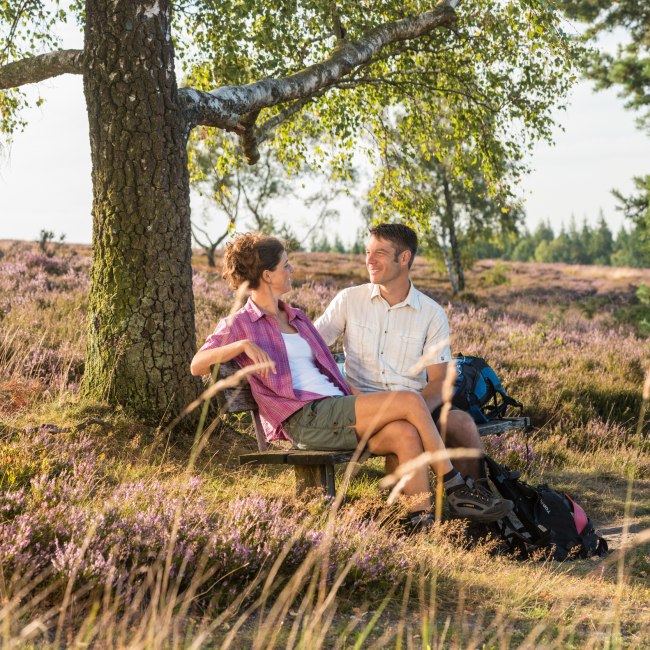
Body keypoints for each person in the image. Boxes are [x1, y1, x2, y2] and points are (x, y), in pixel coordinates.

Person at [191, 232, 512, 531]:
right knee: (410, 401)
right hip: (306, 417)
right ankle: (456, 486)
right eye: (285, 266)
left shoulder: (297, 317)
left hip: (334, 409)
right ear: (267, 275)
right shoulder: (241, 323)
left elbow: (325, 367)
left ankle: (419, 524)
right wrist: (241, 345)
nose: (291, 270)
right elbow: (197, 364)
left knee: (405, 432)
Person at [315, 223, 484, 481]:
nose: (369, 260)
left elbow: (439, 381)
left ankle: (474, 504)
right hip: (362, 407)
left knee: (462, 424)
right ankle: (407, 515)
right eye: (367, 252)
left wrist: (418, 413)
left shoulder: (431, 313)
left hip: (415, 404)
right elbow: (310, 346)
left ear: (404, 258)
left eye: (379, 253)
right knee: (405, 430)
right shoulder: (349, 300)